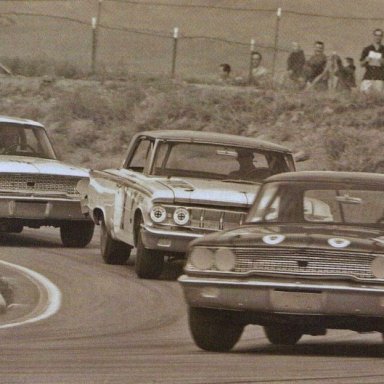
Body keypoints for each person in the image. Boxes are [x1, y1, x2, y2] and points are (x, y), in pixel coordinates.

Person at [360, 28, 384, 93]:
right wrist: (366, 60)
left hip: (379, 78)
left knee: (378, 98)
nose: (378, 37)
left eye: (380, 35)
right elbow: (361, 64)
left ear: (382, 37)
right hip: (368, 76)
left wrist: (382, 61)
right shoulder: (367, 49)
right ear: (373, 36)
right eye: (376, 35)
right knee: (364, 96)